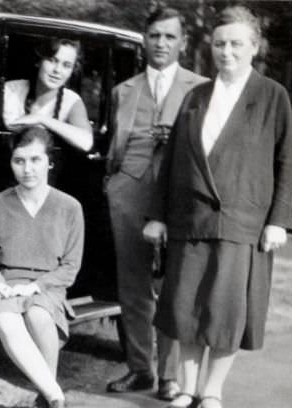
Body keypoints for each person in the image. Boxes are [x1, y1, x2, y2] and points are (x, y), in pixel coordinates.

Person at [143, 6, 292, 408]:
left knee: (225, 313)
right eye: (219, 44)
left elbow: (287, 161)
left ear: (254, 47)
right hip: (190, 221)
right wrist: (158, 215)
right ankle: (189, 389)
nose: (226, 52)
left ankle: (212, 391)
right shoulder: (196, 96)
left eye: (236, 44)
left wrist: (279, 221)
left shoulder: (272, 96)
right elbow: (173, 159)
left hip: (241, 221)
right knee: (186, 308)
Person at [104, 7, 208, 401]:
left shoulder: (201, 87)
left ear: (182, 42)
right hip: (128, 192)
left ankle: (171, 377)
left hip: (179, 198)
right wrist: (115, 184)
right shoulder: (123, 91)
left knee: (174, 286)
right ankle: (139, 370)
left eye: (169, 36)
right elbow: (115, 146)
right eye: (154, 36)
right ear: (143, 39)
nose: (161, 43)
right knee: (133, 286)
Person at [0, 126, 84, 408]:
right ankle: (54, 396)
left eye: (35, 160)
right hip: (6, 285)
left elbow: (70, 266)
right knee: (7, 320)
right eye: (19, 161)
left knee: (38, 315)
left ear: (50, 161)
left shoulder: (69, 207)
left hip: (47, 287)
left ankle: (45, 394)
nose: (27, 169)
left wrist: (35, 287)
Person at [2, 38, 93, 152]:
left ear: (72, 71)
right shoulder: (11, 90)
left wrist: (40, 119)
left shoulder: (71, 100)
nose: (57, 70)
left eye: (66, 65)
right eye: (52, 60)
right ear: (39, 61)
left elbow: (86, 142)